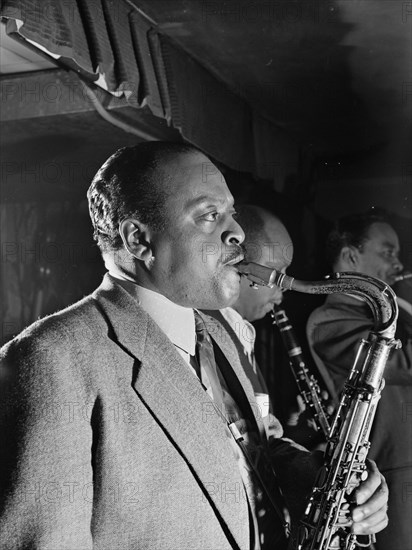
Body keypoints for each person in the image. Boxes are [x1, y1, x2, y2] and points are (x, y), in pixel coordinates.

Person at [0, 143, 388, 549]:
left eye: (231, 211)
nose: (237, 231)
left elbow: (253, 447)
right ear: (139, 240)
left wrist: (311, 475)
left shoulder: (219, 333)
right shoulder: (51, 359)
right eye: (209, 215)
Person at [306, 209, 412, 550]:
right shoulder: (328, 320)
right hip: (395, 481)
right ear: (351, 257)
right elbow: (403, 363)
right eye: (387, 253)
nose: (398, 264)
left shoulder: (398, 314)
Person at [205, 205, 331, 449]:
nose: (283, 286)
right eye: (278, 274)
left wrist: (295, 431)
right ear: (239, 265)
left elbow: (255, 440)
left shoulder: (239, 331)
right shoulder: (210, 336)